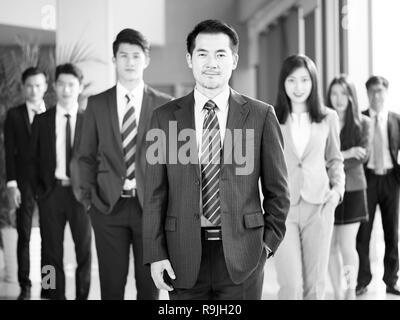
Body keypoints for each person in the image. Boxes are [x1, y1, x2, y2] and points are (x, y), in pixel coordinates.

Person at [142, 19, 290, 300]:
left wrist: (265, 246)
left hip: (243, 259)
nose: (212, 62)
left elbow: (279, 192)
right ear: (189, 59)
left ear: (234, 60)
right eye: (202, 54)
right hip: (181, 257)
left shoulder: (261, 116)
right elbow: (153, 194)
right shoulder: (163, 118)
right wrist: (155, 253)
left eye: (220, 54)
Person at [77, 28, 173, 300]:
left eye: (136, 55)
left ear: (146, 59)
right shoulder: (97, 104)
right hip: (108, 208)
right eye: (123, 56)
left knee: (149, 288)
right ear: (114, 59)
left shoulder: (166, 106)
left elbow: (173, 162)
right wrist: (88, 201)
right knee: (111, 287)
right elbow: (84, 156)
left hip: (152, 211)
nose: (130, 62)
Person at [273, 54, 345, 300]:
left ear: (313, 82)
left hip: (320, 207)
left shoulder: (328, 118)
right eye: (292, 80)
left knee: (315, 287)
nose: (298, 87)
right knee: (290, 286)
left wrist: (337, 193)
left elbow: (335, 159)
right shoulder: (272, 119)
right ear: (283, 83)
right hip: (284, 211)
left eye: (305, 80)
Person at [30, 63, 92, 300]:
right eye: (62, 84)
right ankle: (51, 295)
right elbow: (32, 159)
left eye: (71, 84)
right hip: (51, 193)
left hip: (81, 196)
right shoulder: (42, 120)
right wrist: (39, 192)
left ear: (80, 87)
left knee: (84, 252)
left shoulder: (89, 121)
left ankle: (82, 296)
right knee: (49, 252)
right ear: (54, 86)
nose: (66, 89)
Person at [4, 67, 48, 300]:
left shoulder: (53, 113)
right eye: (29, 85)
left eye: (38, 85)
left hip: (49, 183)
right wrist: (12, 184)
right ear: (23, 87)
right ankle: (25, 287)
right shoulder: (13, 115)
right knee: (24, 234)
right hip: (23, 183)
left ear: (45, 87)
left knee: (50, 238)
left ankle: (48, 286)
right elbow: (9, 153)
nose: (34, 90)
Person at [326, 75, 371, 300]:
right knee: (329, 248)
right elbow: (319, 158)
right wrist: (346, 153)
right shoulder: (324, 120)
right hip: (328, 191)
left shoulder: (364, 123)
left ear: (351, 96)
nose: (339, 98)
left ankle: (350, 290)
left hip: (353, 191)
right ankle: (336, 293)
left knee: (346, 246)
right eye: (334, 93)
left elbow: (361, 157)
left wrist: (336, 158)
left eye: (344, 93)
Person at [356, 76, 400, 296]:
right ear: (367, 94)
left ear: (386, 93)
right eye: (372, 91)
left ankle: (392, 280)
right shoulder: (360, 118)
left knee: (392, 231)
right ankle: (362, 280)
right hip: (368, 179)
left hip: (391, 180)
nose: (377, 96)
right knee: (364, 231)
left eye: (380, 91)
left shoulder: (396, 119)